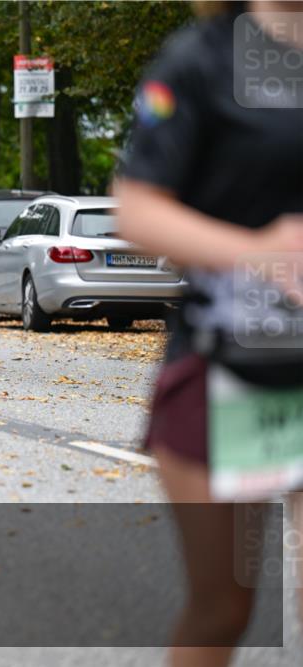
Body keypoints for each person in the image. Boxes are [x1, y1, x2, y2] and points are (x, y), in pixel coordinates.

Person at [114, 3, 303, 665]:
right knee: (224, 607)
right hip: (231, 368)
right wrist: (255, 250)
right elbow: (136, 209)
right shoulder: (199, 60)